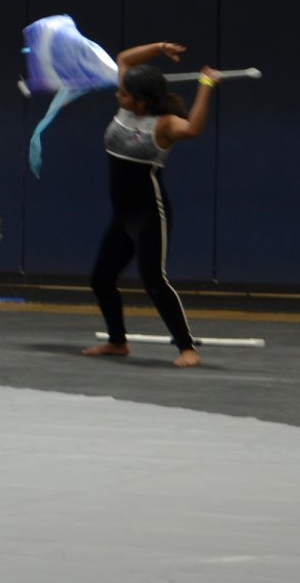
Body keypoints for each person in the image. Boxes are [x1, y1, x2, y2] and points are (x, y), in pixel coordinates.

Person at [81, 41, 220, 369]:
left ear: (141, 101)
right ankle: (117, 342)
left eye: (124, 94)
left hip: (148, 215)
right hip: (122, 214)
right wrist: (160, 47)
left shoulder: (165, 124)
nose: (118, 95)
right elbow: (124, 58)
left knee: (154, 280)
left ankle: (187, 348)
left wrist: (206, 85)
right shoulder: (128, 106)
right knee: (101, 278)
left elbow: (194, 128)